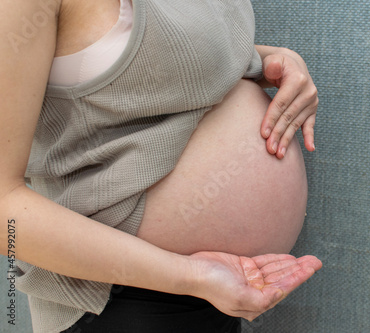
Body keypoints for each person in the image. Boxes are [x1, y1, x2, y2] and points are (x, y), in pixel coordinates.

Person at [0, 0, 322, 332]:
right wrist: (191, 276)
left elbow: (171, 54)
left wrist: (275, 60)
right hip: (120, 299)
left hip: (223, 288)